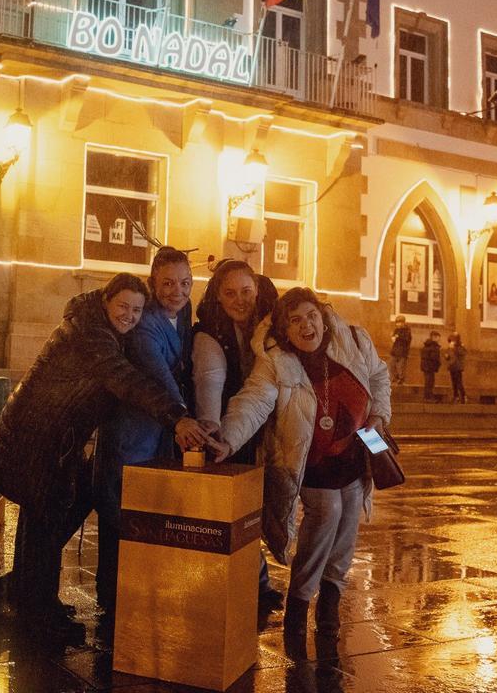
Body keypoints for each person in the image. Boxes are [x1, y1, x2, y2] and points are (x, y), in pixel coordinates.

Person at [0, 273, 212, 642]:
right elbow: (123, 380)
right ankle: (39, 618)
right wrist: (176, 416)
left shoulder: (96, 326)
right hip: (42, 436)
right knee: (45, 521)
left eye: (137, 309)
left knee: (43, 519)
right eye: (123, 306)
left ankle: (32, 601)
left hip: (51, 435)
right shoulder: (92, 335)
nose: (130, 315)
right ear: (106, 300)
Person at [209, 287, 391, 660]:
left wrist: (379, 416)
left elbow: (379, 377)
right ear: (284, 329)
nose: (306, 325)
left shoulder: (354, 340)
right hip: (310, 462)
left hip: (356, 456)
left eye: (311, 316)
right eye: (295, 321)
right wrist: (226, 439)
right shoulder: (277, 362)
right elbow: (254, 402)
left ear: (322, 317)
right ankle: (300, 602)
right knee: (329, 513)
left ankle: (330, 603)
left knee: (348, 520)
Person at [93, 248, 194, 619]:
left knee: (145, 513)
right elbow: (161, 378)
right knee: (119, 513)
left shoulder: (183, 314)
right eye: (167, 283)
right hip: (132, 433)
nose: (177, 291)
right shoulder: (145, 324)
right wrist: (184, 417)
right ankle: (111, 599)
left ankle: (133, 592)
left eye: (184, 283)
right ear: (153, 284)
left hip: (159, 434)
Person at [189, 259, 282, 612]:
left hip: (261, 428)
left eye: (246, 291)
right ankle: (250, 583)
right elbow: (209, 378)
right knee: (230, 510)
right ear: (218, 296)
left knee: (253, 510)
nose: (239, 300)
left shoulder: (272, 326)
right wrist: (213, 426)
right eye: (230, 293)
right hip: (227, 429)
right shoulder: (210, 331)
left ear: (257, 291)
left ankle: (256, 581)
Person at [389, 315, 411, 385]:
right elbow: (394, 339)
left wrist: (398, 337)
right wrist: (393, 337)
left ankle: (401, 380)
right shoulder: (396, 330)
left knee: (401, 367)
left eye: (400, 323)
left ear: (404, 323)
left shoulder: (407, 331)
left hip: (402, 352)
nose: (398, 324)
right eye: (397, 323)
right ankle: (394, 379)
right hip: (395, 351)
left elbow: (406, 340)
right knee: (392, 365)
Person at [420, 330, 442, 402]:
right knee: (430, 382)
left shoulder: (427, 345)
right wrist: (438, 363)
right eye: (438, 337)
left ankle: (427, 397)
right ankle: (428, 397)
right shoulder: (434, 346)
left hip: (426, 366)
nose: (439, 339)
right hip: (430, 367)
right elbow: (434, 357)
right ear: (434, 337)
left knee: (428, 382)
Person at [446, 332, 467, 403]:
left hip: (458, 367)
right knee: (454, 383)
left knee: (459, 382)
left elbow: (461, 354)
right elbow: (449, 355)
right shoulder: (450, 347)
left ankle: (463, 396)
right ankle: (456, 396)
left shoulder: (460, 346)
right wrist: (447, 356)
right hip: (452, 366)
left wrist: (453, 348)